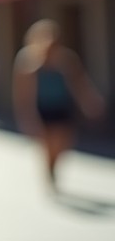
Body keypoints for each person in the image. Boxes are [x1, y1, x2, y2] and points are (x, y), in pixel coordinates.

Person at [12, 18, 105, 193]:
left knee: (63, 142)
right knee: (48, 143)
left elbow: (79, 83)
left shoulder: (66, 60)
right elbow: (22, 93)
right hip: (42, 108)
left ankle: (54, 165)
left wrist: (89, 101)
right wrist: (27, 117)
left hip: (61, 106)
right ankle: (49, 170)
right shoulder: (27, 61)